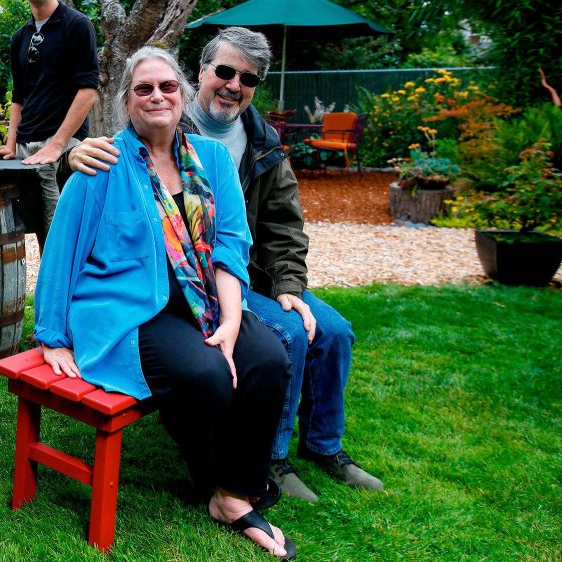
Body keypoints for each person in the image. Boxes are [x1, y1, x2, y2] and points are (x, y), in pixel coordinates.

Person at [66, 27, 382, 503]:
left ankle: (324, 445)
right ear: (201, 74)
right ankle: (271, 456)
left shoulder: (263, 142)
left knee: (334, 331)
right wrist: (71, 151)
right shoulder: (169, 119)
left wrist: (290, 285)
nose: (234, 85)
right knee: (290, 336)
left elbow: (284, 226)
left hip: (249, 274)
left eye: (248, 78)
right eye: (225, 71)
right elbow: (94, 173)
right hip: (196, 282)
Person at [36, 47, 295, 559]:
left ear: (183, 93)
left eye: (167, 86)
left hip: (200, 300)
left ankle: (235, 491)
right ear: (127, 103)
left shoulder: (213, 159)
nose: (157, 96)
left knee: (268, 359)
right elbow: (60, 252)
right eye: (143, 89)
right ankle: (223, 486)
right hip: (129, 310)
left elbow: (230, 246)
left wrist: (228, 319)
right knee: (206, 376)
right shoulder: (104, 162)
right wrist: (51, 335)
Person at [0, 0, 99, 250]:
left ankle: (69, 297)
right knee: (32, 234)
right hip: (26, 151)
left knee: (64, 242)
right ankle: (43, 296)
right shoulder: (20, 36)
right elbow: (19, 96)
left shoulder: (77, 25)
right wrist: (9, 146)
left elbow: (88, 90)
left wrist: (57, 145)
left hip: (64, 151)